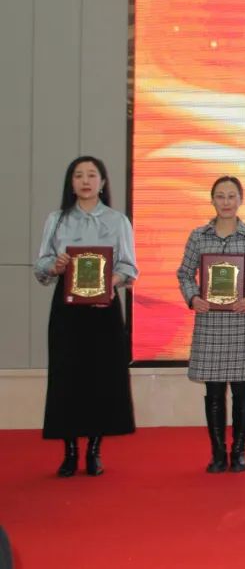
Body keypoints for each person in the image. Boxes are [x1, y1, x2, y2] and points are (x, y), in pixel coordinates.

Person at [33, 156, 137, 477]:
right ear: (71, 182)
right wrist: (56, 266)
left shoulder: (118, 221)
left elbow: (129, 267)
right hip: (67, 310)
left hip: (104, 309)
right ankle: (69, 451)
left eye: (92, 175)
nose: (85, 181)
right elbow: (41, 266)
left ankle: (94, 450)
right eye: (78, 175)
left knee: (101, 378)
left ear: (103, 182)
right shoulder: (57, 220)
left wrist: (109, 285)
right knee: (67, 377)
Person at [177, 176, 245, 472]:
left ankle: (240, 450)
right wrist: (193, 297)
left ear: (240, 200)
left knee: (242, 392)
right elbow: (184, 274)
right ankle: (218, 452)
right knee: (214, 393)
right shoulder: (198, 236)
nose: (226, 202)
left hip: (242, 322)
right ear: (212, 200)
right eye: (220, 196)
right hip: (210, 323)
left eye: (231, 196)